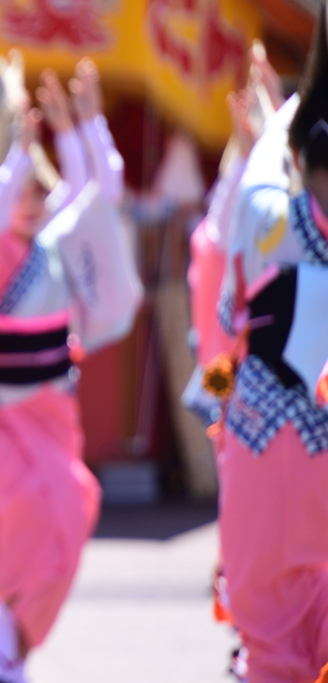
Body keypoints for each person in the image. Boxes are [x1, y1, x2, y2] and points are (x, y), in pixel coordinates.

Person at [0, 55, 128, 683]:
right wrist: (17, 151)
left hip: (47, 413)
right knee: (25, 506)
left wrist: (83, 128)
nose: (30, 201)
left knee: (73, 507)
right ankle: (6, 630)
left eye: (38, 190)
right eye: (19, 189)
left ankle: (10, 635)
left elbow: (98, 197)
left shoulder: (53, 246)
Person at [213, 2, 328, 678]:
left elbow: (224, 321)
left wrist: (279, 109)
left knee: (269, 644)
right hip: (270, 431)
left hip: (255, 431)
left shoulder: (264, 218)